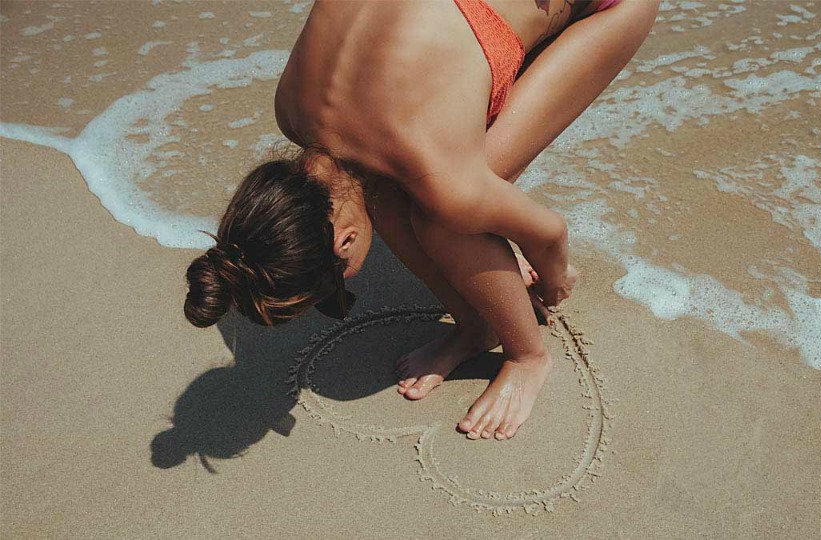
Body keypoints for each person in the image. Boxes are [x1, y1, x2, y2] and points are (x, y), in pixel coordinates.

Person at [184, 0, 660, 441]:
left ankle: (527, 356)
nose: (344, 292)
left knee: (443, 219)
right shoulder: (291, 110)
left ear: (343, 241)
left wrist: (554, 279)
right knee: (395, 193)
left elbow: (549, 231)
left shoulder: (437, 172)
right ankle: (476, 327)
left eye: (338, 291)